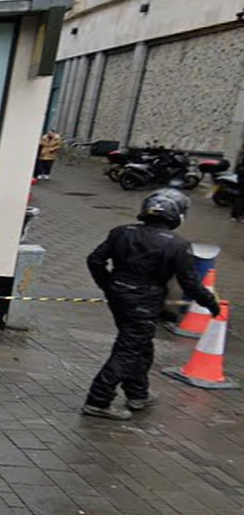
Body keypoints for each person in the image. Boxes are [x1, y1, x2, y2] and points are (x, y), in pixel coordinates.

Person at [83, 188, 220, 420]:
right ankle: (98, 400)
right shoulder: (177, 245)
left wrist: (108, 285)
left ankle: (138, 393)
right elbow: (190, 283)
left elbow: (95, 260)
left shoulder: (121, 232)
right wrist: (211, 304)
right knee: (128, 350)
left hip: (119, 297)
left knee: (141, 346)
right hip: (144, 302)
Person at [230, 157, 244, 222]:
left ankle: (234, 215)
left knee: (239, 199)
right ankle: (237, 215)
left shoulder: (240, 166)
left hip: (240, 183)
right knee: (241, 200)